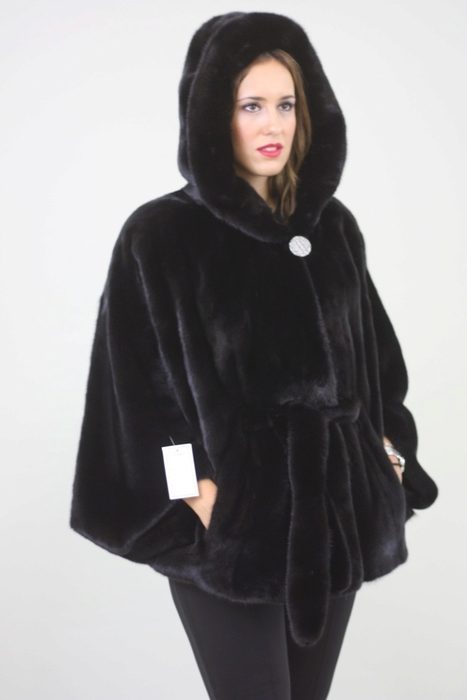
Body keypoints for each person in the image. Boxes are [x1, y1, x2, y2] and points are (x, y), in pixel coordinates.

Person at [69, 11, 439, 699]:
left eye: (286, 104)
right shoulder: (161, 234)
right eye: (250, 106)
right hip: (230, 534)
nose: (273, 125)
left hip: (333, 520)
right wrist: (201, 498)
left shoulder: (332, 227)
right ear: (212, 114)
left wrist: (386, 456)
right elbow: (138, 393)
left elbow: (376, 364)